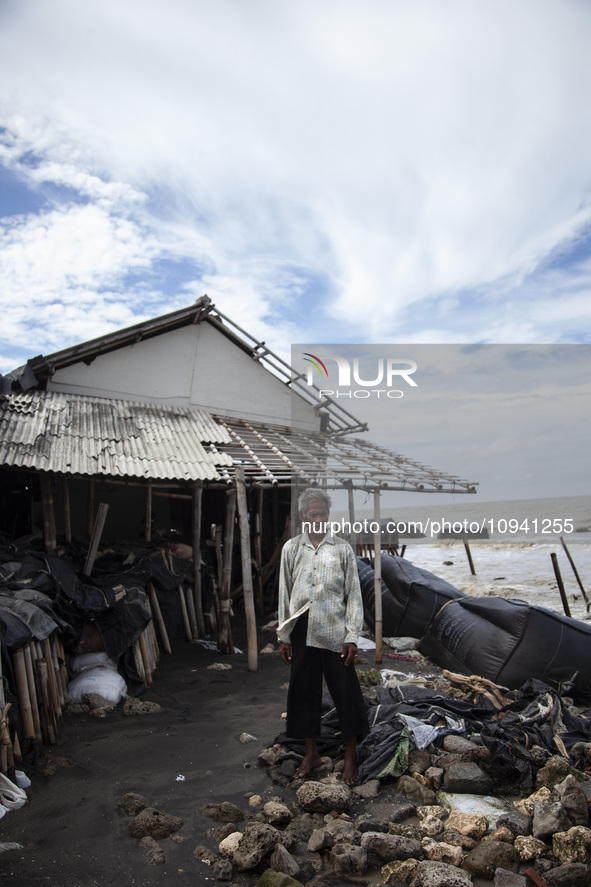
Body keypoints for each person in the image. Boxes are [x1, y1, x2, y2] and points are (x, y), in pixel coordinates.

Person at [277, 488, 369, 785]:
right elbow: (285, 593)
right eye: (312, 514)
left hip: (334, 631)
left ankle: (350, 755)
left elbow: (353, 595)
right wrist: (284, 635)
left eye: (323, 514)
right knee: (303, 691)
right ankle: (311, 754)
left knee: (345, 692)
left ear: (329, 516)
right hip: (302, 629)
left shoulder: (342, 549)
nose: (318, 519)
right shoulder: (291, 549)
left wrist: (352, 635)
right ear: (303, 517)